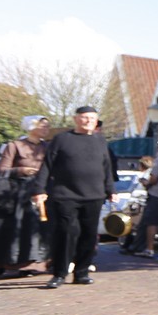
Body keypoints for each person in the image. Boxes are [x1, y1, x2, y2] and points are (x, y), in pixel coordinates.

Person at [33, 106, 117, 288]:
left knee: (88, 235)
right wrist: (39, 189)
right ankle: (59, 274)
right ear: (76, 119)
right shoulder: (62, 139)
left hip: (94, 195)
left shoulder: (100, 140)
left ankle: (82, 273)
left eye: (92, 118)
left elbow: (106, 167)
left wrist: (111, 190)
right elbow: (47, 165)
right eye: (84, 117)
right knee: (66, 234)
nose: (88, 121)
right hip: (66, 195)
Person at [0, 115, 50, 275]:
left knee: (36, 230)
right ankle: (2, 262)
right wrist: (21, 170)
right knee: (11, 229)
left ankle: (30, 264)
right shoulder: (15, 145)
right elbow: (1, 169)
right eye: (42, 125)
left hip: (40, 190)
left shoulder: (47, 147)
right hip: (16, 193)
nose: (46, 129)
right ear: (31, 127)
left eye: (47, 126)